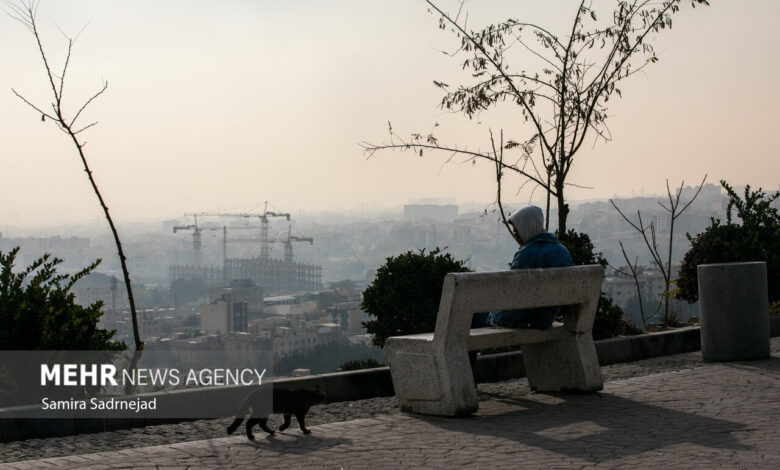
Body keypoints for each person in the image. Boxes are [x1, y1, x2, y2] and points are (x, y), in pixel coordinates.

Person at [472, 205, 574, 329]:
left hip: (522, 319)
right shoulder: (562, 250)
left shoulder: (527, 253)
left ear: (527, 227)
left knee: (474, 311)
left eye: (517, 232)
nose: (516, 236)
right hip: (545, 318)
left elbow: (510, 289)